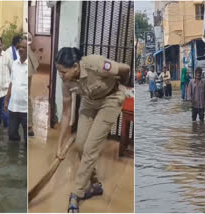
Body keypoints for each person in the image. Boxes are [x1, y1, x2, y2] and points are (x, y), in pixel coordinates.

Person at [55, 47, 130, 213]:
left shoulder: (96, 64)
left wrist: (125, 85)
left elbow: (126, 68)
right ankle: (95, 184)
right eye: (59, 72)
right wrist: (59, 146)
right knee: (80, 145)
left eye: (63, 72)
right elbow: (66, 114)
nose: (61, 76)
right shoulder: (66, 82)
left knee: (90, 148)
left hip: (110, 100)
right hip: (89, 103)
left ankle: (76, 193)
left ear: (75, 66)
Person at [4, 37, 28, 143]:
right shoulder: (14, 64)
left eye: (24, 47)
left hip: (26, 109)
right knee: (12, 135)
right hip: (13, 107)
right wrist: (6, 100)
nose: (21, 49)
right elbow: (11, 83)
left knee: (27, 139)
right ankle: (13, 157)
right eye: (20, 47)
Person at [27, 33, 39, 136]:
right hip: (27, 69)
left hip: (27, 70)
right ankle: (28, 125)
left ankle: (29, 125)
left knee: (26, 97)